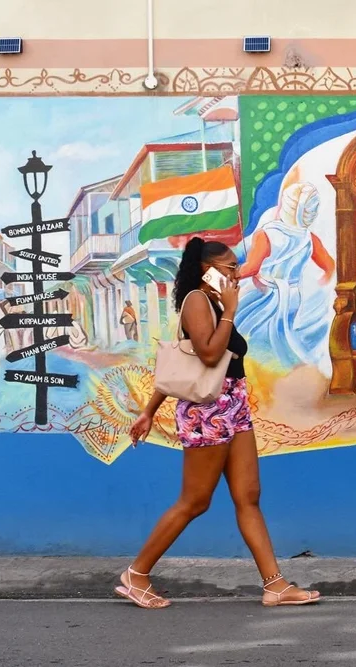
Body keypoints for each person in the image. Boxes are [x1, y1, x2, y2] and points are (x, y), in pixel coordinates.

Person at [124, 237, 320, 610]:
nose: (236, 273)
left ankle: (275, 585)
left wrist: (148, 411)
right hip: (207, 413)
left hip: (233, 407)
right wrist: (230, 310)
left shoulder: (212, 302)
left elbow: (184, 368)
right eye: (230, 267)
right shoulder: (197, 301)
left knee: (248, 495)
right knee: (195, 501)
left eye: (235, 267)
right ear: (207, 269)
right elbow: (208, 355)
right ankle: (136, 574)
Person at [237, 182, 335, 372]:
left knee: (248, 335)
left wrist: (227, 274)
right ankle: (282, 372)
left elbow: (251, 268)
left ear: (285, 205)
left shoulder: (265, 234)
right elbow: (329, 267)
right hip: (292, 297)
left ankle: (257, 372)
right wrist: (320, 286)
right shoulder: (309, 238)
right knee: (282, 338)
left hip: (261, 294)